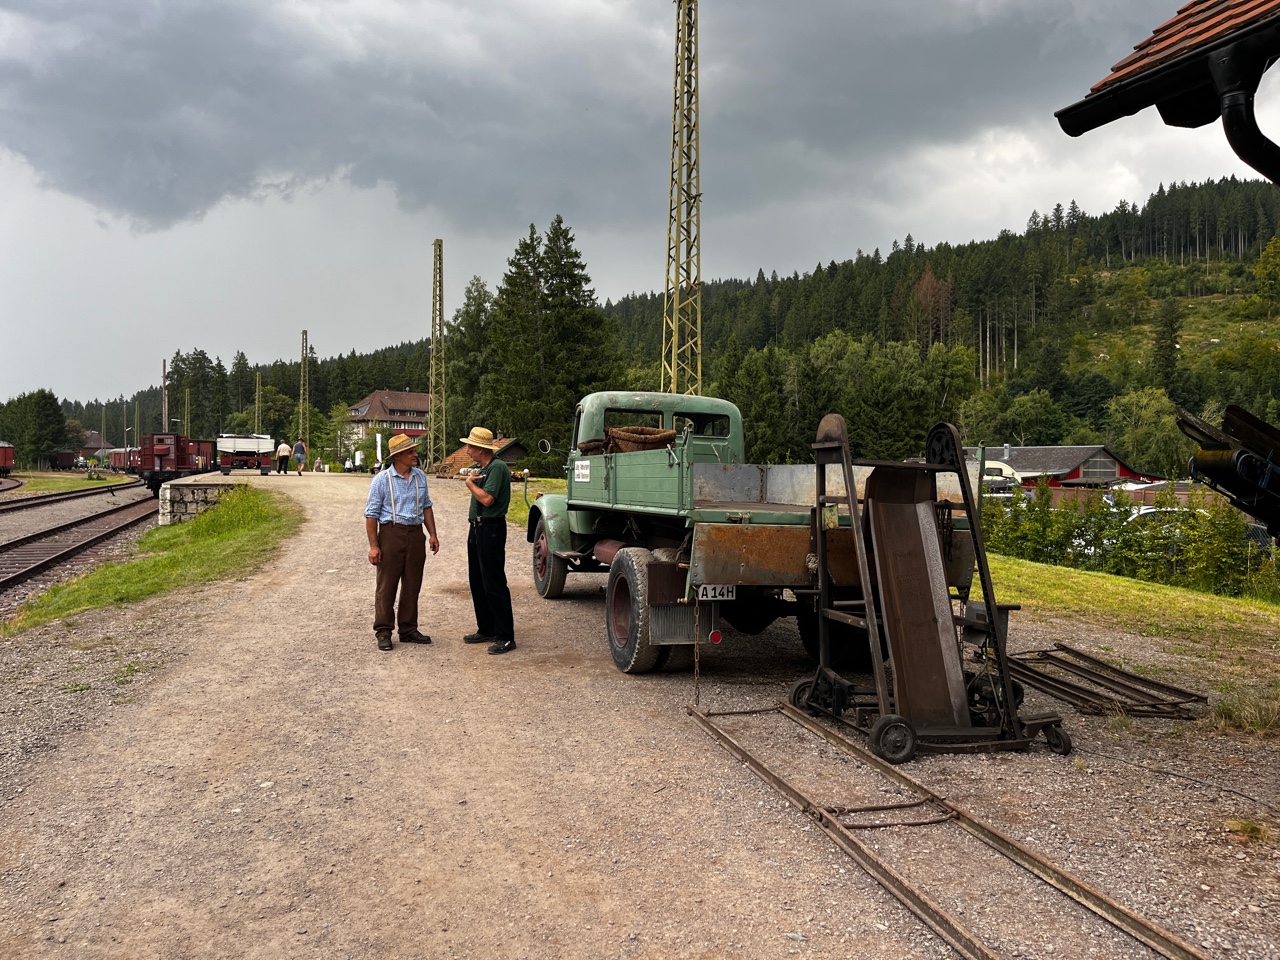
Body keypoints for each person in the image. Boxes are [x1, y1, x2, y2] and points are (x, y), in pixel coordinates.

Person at [364, 434, 439, 651]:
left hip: (415, 533)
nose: (415, 454)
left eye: (414, 451)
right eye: (410, 452)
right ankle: (383, 631)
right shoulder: (382, 479)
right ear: (398, 456)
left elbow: (426, 506)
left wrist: (432, 534)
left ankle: (408, 629)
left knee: (413, 583)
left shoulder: (419, 476)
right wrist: (374, 546)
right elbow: (371, 514)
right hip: (391, 533)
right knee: (387, 585)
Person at [460, 427, 515, 655]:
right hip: (478, 527)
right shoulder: (485, 468)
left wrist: (470, 484)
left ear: (480, 449)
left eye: (470, 446)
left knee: (493, 582)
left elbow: (488, 500)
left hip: (490, 528)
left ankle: (505, 636)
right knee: (478, 580)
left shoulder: (497, 467)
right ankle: (487, 628)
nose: (467, 450)